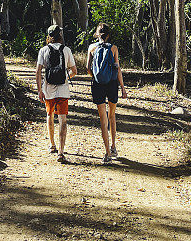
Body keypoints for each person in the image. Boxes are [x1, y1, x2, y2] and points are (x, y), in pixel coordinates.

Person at [86, 22, 127, 164]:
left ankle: (107, 153)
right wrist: (122, 87)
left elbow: (88, 68)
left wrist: (96, 77)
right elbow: (118, 68)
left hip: (98, 84)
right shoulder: (114, 48)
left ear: (97, 34)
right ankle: (114, 146)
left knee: (103, 119)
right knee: (112, 116)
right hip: (111, 84)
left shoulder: (92, 48)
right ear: (108, 35)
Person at [36, 24, 77, 163]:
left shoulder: (43, 50)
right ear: (60, 35)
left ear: (49, 36)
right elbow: (74, 70)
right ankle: (61, 151)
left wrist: (40, 90)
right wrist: (66, 77)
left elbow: (38, 71)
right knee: (63, 120)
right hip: (63, 89)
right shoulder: (66, 50)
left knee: (49, 115)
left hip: (48, 88)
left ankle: (52, 145)